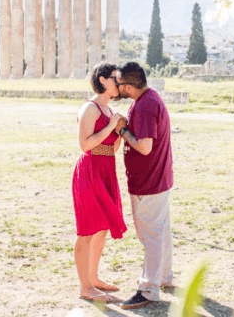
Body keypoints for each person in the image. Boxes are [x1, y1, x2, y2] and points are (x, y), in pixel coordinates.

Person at [115, 62, 174, 310]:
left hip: (149, 182)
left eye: (119, 84)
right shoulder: (147, 98)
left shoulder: (147, 105)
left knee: (150, 236)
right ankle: (163, 277)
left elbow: (145, 146)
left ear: (128, 86)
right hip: (157, 178)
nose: (117, 87)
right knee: (160, 233)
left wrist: (123, 131)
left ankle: (149, 289)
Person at [72, 62, 129, 303]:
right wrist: (109, 126)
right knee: (87, 230)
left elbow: (112, 149)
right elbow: (85, 145)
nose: (119, 84)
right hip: (89, 171)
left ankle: (94, 279)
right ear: (103, 80)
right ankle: (85, 287)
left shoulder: (108, 112)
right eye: (116, 79)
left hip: (106, 169)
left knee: (103, 227)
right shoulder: (91, 108)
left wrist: (118, 131)